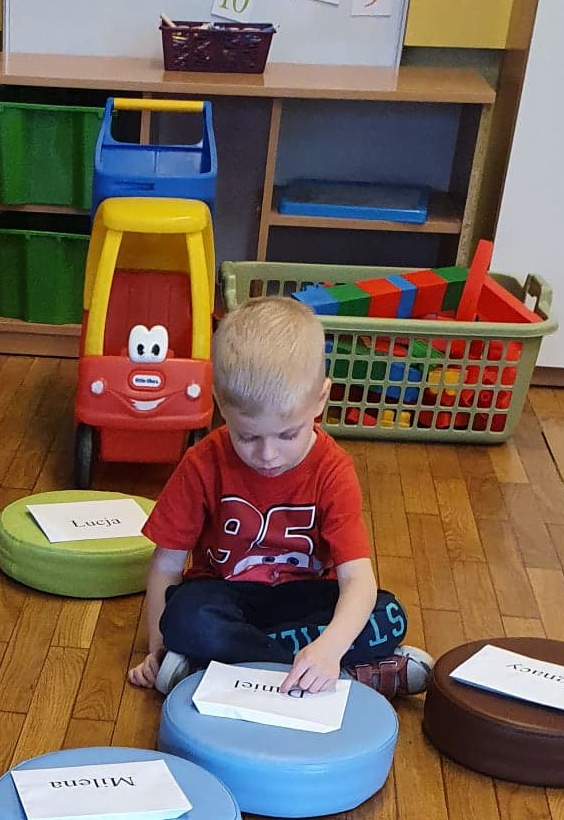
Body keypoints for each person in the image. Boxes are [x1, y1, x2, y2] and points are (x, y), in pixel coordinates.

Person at [128, 295, 431, 700]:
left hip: (305, 600)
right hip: (229, 597)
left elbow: (357, 579)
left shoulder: (333, 470)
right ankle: (346, 676)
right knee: (184, 620)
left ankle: (216, 667)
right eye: (247, 436)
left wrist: (329, 648)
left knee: (389, 616)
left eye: (288, 434)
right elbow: (166, 564)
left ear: (320, 399)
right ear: (220, 405)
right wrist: (158, 648)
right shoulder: (201, 463)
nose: (267, 454)